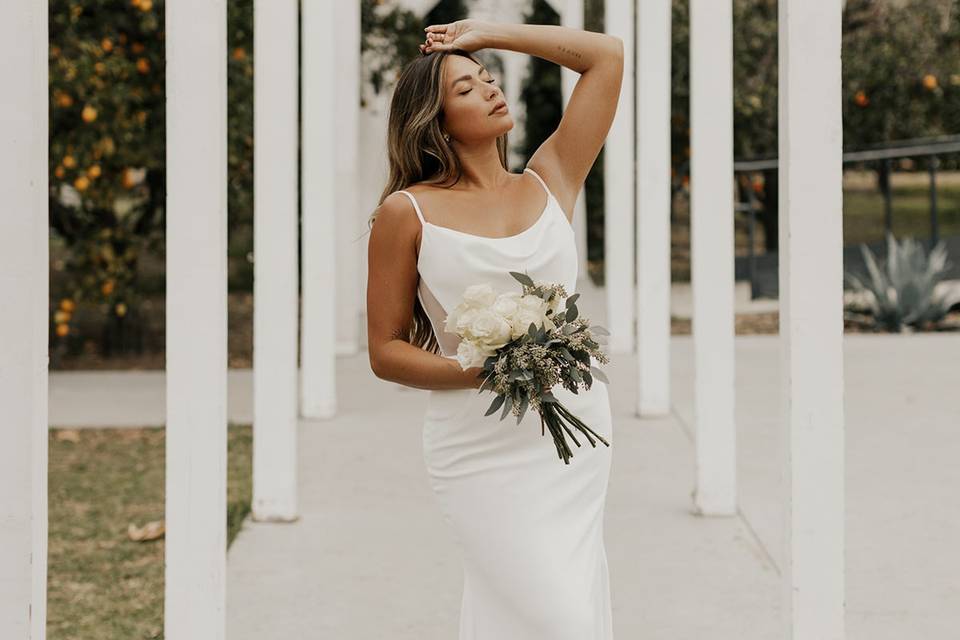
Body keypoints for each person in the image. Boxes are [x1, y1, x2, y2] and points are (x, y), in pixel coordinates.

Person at [366, 18, 623, 639]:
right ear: (435, 119)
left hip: (573, 431)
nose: (489, 88)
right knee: (556, 615)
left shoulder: (551, 176)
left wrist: (486, 35)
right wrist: (486, 371)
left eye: (488, 78)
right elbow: (385, 350)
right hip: (476, 444)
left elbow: (606, 57)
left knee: (556, 607)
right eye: (466, 88)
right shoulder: (406, 212)